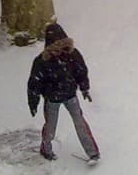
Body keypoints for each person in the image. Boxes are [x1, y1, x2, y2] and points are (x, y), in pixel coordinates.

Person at [26, 22, 101, 163]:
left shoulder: (72, 54)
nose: (59, 50)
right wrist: (33, 102)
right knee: (50, 127)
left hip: (71, 96)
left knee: (80, 124)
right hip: (52, 100)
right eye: (56, 47)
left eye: (62, 45)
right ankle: (46, 149)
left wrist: (84, 88)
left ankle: (93, 153)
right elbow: (34, 84)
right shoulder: (42, 61)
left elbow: (81, 71)